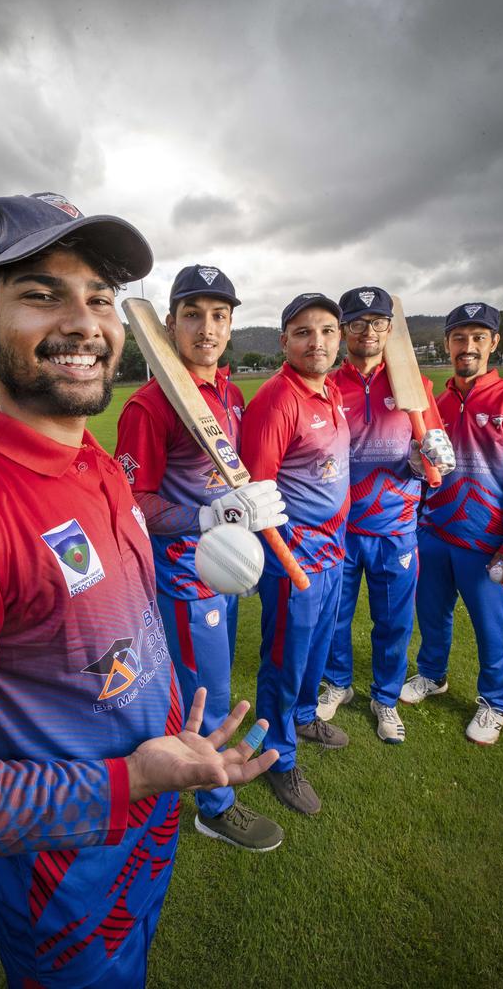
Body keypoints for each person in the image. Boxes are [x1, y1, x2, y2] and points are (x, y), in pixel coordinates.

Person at [0, 194, 279, 989]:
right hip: (64, 885)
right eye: (40, 293)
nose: (83, 321)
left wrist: (175, 748)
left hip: (151, 825)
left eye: (99, 297)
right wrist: (131, 780)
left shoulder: (99, 465)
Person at [115, 265, 286, 851]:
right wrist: (205, 517)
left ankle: (201, 769)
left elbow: (222, 477)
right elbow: (131, 499)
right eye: (192, 314)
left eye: (218, 315)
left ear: (232, 323)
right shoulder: (148, 405)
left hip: (226, 566)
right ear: (170, 323)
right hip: (184, 575)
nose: (206, 328)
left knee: (206, 682)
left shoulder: (230, 392)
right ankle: (215, 806)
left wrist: (238, 510)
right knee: (204, 690)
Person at [400, 302, 503, 744]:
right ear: (447, 343)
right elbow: (421, 468)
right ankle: (431, 674)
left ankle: (495, 702)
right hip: (435, 533)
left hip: (488, 540)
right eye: (460, 338)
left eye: (479, 338)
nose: (468, 346)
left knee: (491, 626)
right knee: (432, 615)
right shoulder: (433, 403)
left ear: (494, 343)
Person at [320, 286, 455, 743]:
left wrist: (425, 459)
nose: (369, 332)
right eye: (357, 323)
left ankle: (386, 698)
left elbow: (433, 458)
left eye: (379, 322)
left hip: (395, 525)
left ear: (389, 329)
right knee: (335, 616)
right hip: (339, 525)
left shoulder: (414, 386)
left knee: (394, 620)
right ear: (343, 330)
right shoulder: (328, 385)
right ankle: (337, 683)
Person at [240, 293, 351, 815]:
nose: (318, 341)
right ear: (284, 341)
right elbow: (255, 494)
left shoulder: (328, 394)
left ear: (339, 338)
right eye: (304, 332)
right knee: (285, 660)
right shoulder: (278, 399)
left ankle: (305, 717)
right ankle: (280, 758)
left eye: (327, 330)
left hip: (333, 552)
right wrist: (282, 561)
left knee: (317, 650)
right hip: (295, 559)